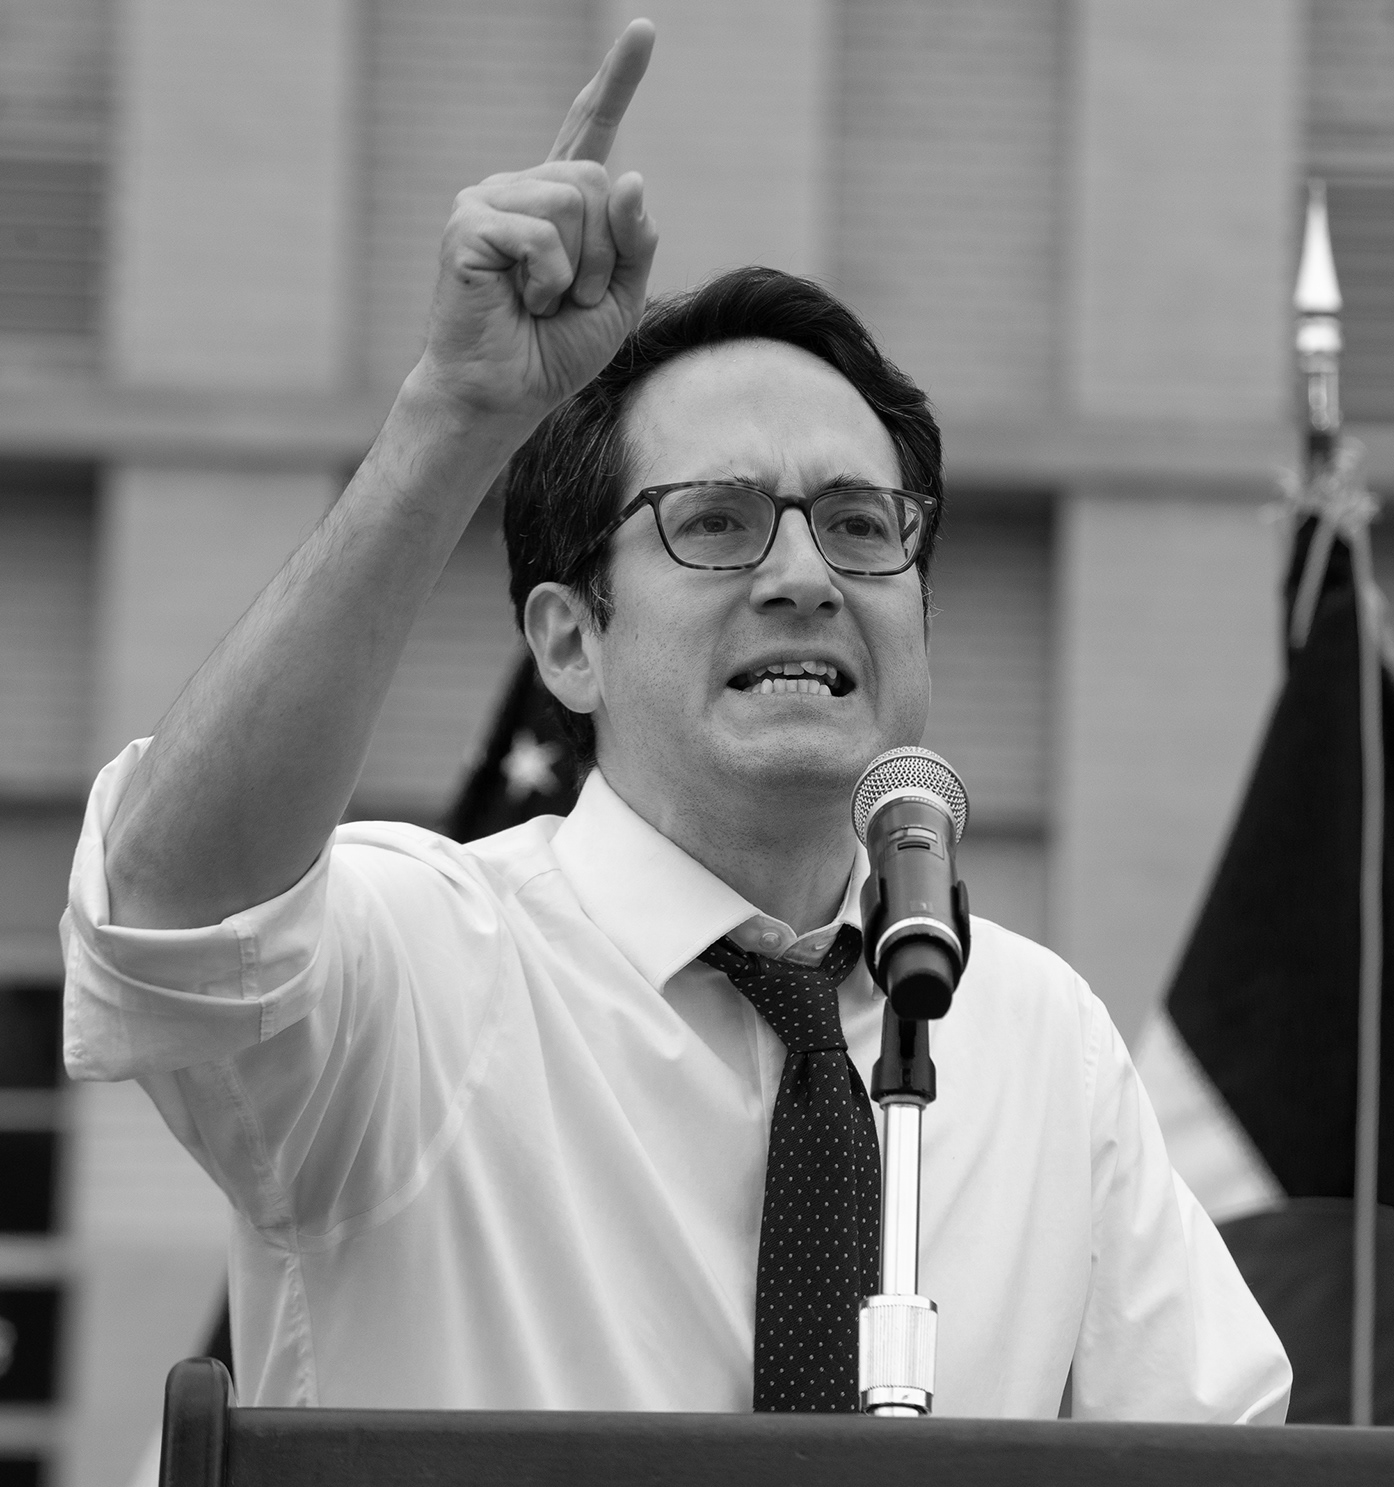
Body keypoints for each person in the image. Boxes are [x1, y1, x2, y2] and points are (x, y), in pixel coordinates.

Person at [61, 20, 1291, 1421]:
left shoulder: (1033, 1034)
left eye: (858, 525)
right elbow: (168, 913)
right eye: (717, 523)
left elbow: (1224, 1447)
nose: (805, 578)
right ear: (570, 642)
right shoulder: (425, 968)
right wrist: (454, 415)